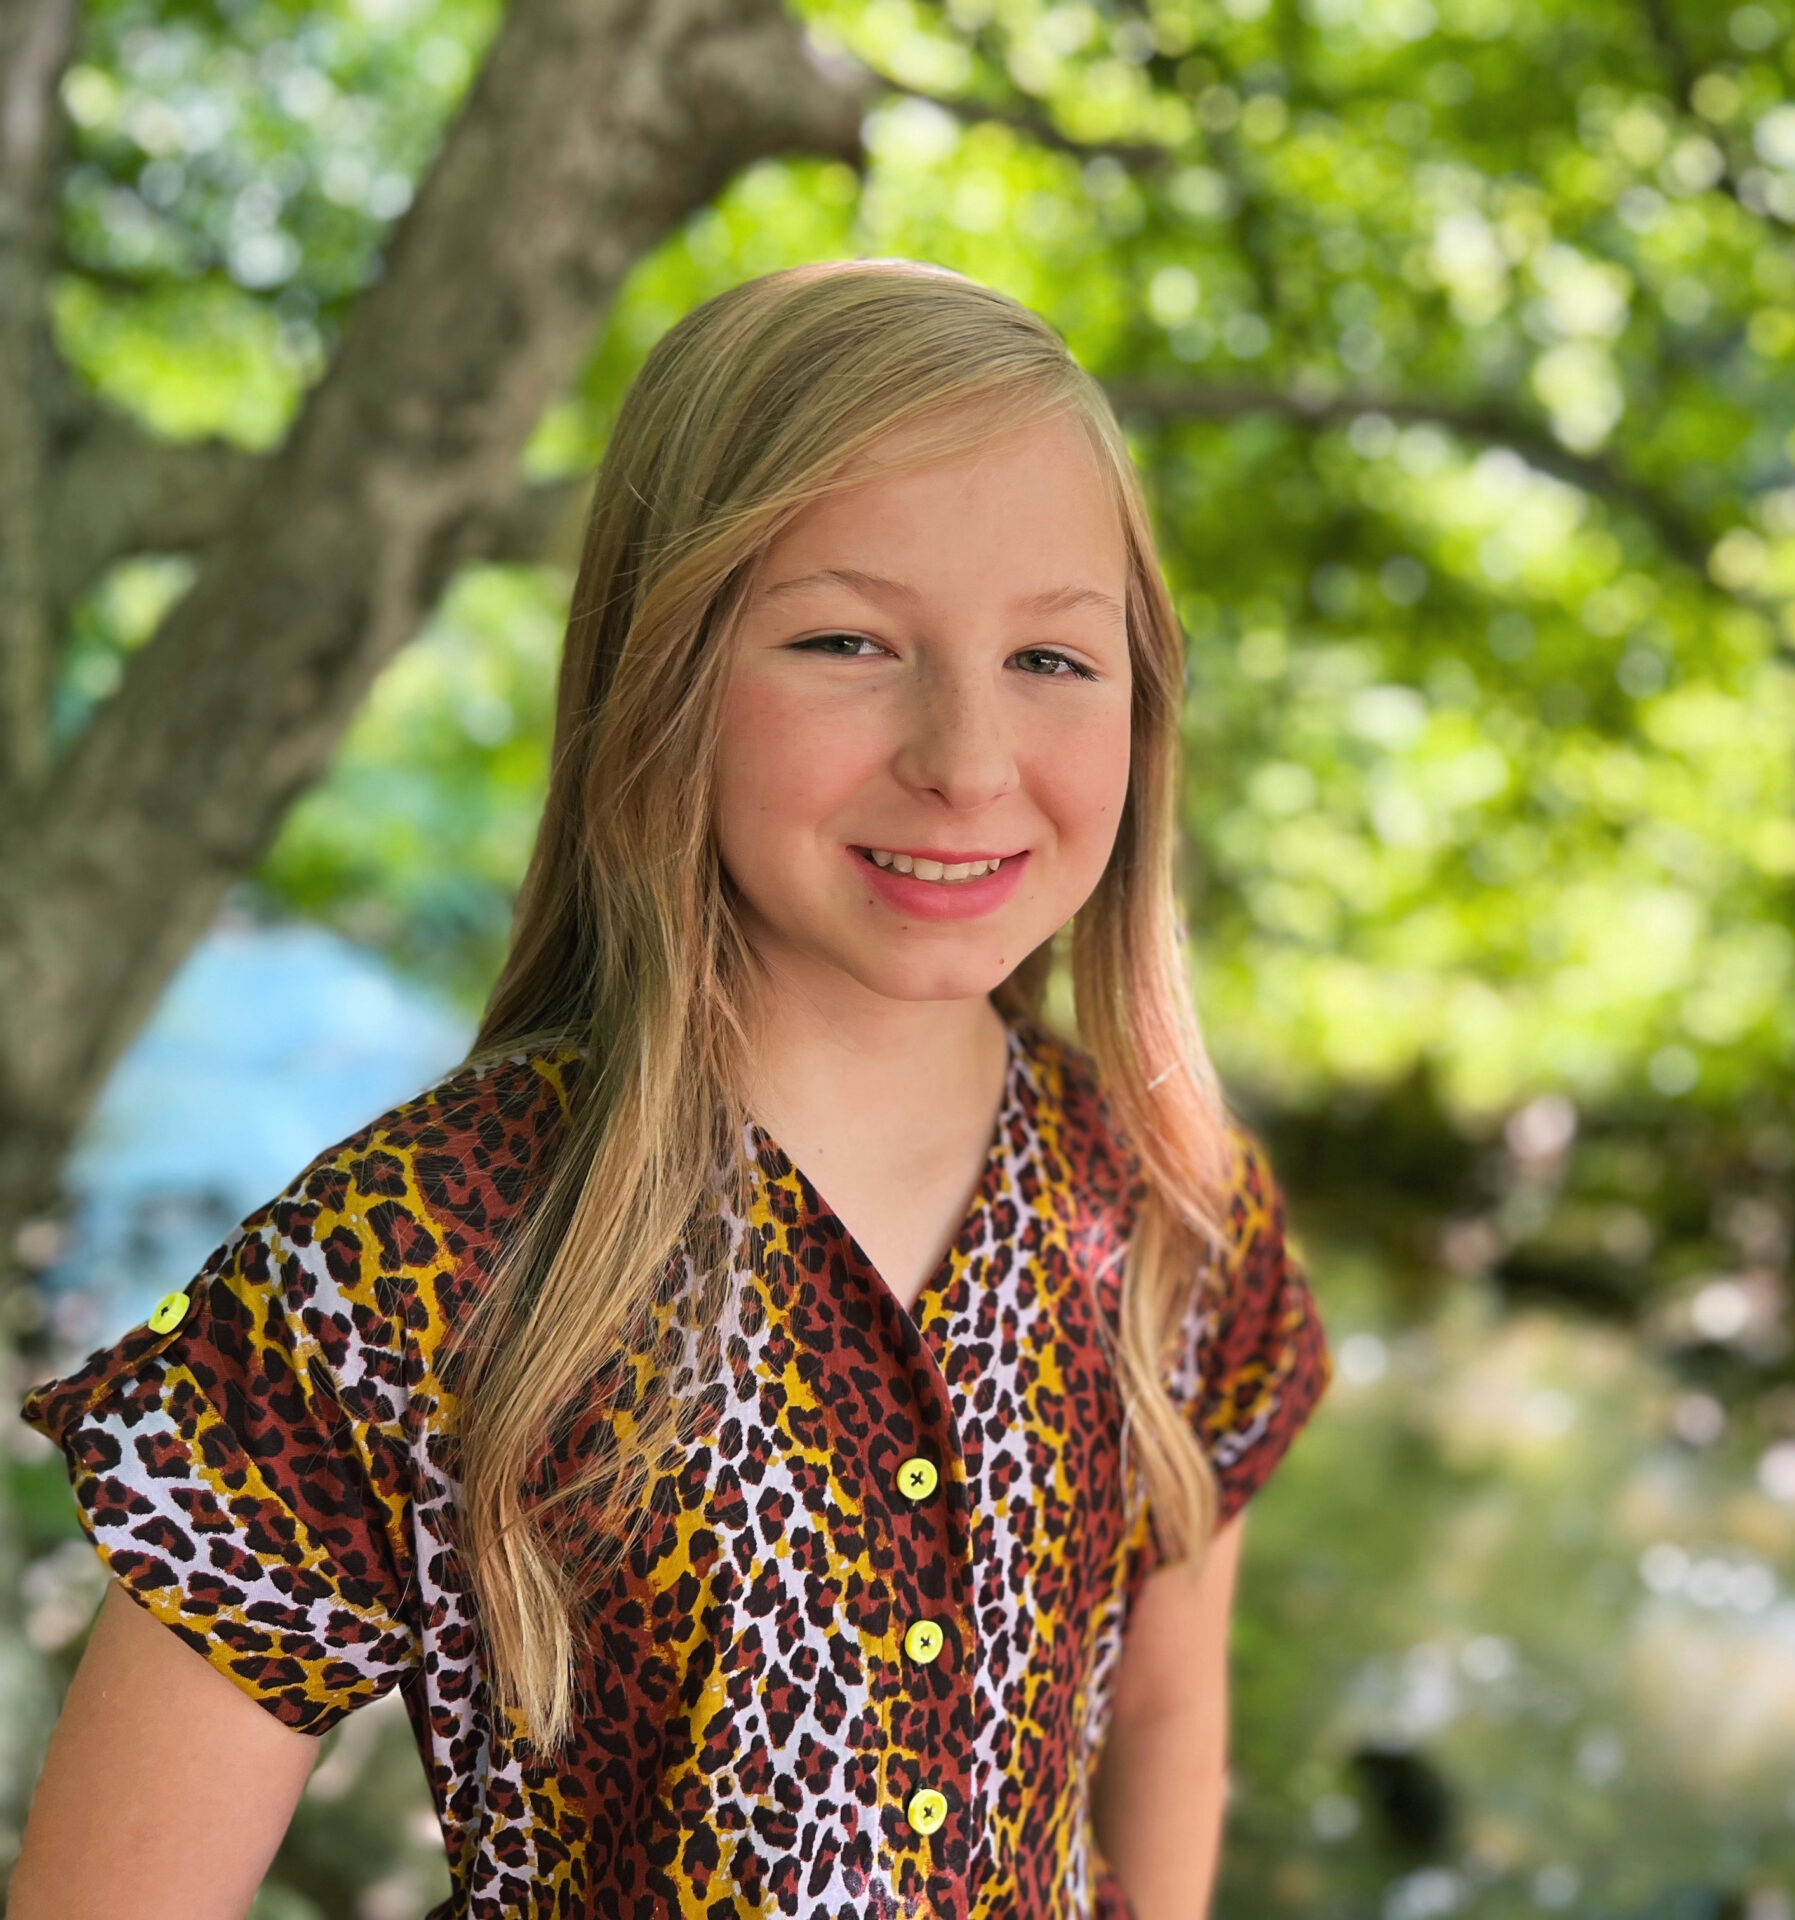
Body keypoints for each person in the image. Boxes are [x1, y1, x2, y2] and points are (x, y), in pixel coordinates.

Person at [8, 260, 1331, 1920]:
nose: (968, 758)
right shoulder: (423, 1255)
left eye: (1055, 662)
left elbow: (1163, 1701)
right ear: (665, 672)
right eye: (847, 639)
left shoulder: (1163, 1200)